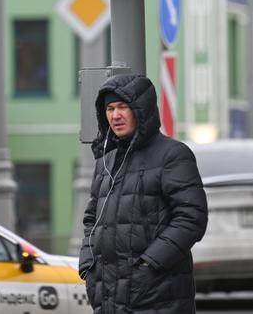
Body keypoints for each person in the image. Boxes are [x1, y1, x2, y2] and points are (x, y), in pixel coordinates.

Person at [78, 73, 208, 314]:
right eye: (110, 108)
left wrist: (149, 266)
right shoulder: (106, 161)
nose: (115, 115)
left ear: (141, 109)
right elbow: (91, 219)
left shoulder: (173, 155)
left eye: (123, 107)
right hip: (108, 297)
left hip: (158, 296)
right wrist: (88, 265)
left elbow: (192, 218)